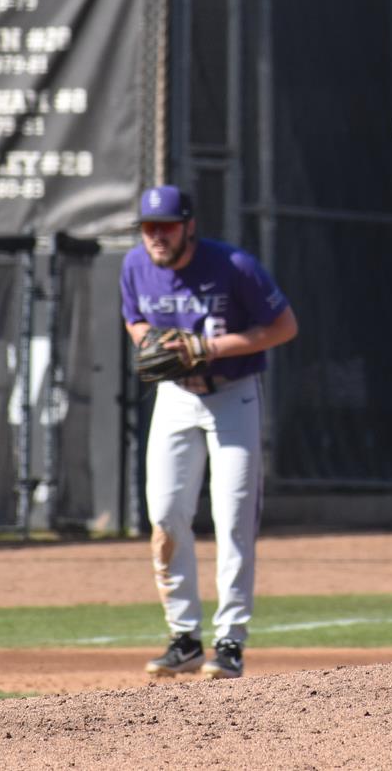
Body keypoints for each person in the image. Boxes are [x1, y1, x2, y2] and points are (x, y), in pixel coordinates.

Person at [122, 185, 299, 680]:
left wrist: (210, 348)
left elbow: (284, 326)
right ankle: (183, 639)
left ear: (189, 226)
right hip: (177, 397)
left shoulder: (234, 266)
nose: (156, 236)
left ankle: (230, 642)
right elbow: (134, 317)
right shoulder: (135, 265)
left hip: (233, 394)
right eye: (148, 227)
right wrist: (155, 343)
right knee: (165, 516)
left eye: (167, 226)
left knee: (233, 519)